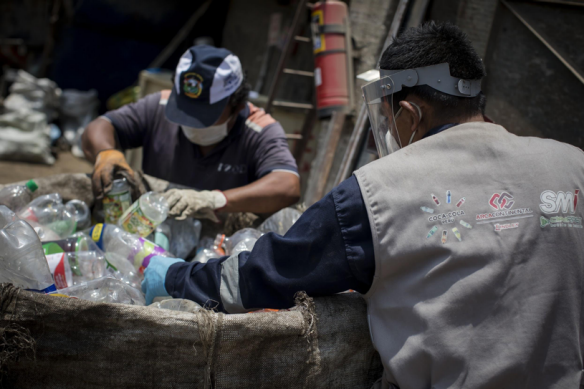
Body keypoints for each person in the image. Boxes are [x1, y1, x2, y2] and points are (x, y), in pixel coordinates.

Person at [142, 22, 584, 388]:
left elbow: (267, 272)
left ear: (410, 115)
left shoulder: (380, 191)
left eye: (390, 120)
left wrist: (173, 277)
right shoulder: (573, 166)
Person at [82, 45, 300, 221]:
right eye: (185, 111)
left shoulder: (260, 130)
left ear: (236, 103)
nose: (193, 124)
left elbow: (287, 185)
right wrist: (106, 153)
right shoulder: (158, 106)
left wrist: (214, 200)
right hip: (154, 225)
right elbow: (100, 127)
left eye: (205, 115)